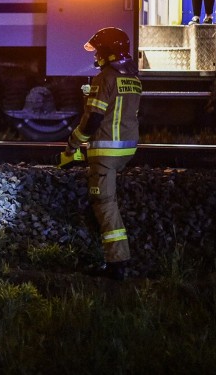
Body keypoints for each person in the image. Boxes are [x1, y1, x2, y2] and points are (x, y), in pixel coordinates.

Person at [61, 27, 141, 281]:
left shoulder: (104, 78)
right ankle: (114, 258)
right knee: (107, 203)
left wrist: (73, 143)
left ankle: (117, 264)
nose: (95, 55)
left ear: (107, 52)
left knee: (105, 206)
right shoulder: (132, 77)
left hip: (106, 151)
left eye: (98, 50)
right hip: (125, 148)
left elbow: (93, 119)